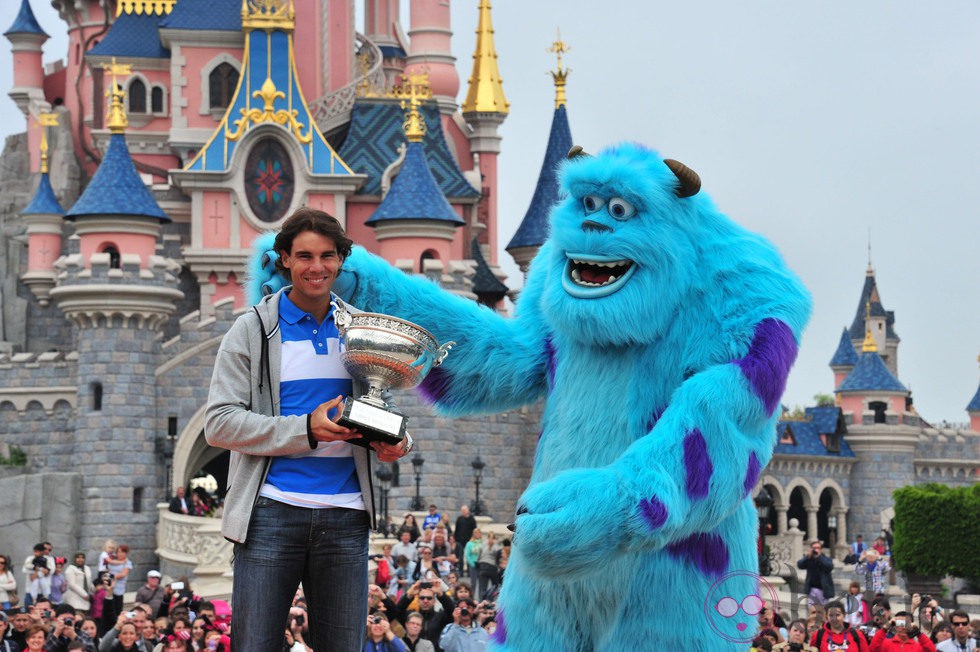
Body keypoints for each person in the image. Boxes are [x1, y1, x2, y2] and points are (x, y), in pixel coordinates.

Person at [205, 208, 413, 651]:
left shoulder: (361, 330)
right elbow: (219, 424)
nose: (316, 267)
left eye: (327, 256)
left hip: (346, 518)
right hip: (271, 513)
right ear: (284, 259)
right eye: (304, 256)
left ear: (341, 260)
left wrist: (399, 442)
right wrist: (307, 429)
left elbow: (384, 404)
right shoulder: (253, 331)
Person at [395, 582, 454, 652]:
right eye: (422, 598)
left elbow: (451, 611)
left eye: (429, 598)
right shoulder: (411, 617)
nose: (425, 601)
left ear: (434, 601)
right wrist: (409, 595)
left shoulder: (441, 617)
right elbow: (397, 611)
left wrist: (441, 595)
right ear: (418, 600)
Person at [870, 611, 936, 651]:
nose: (903, 627)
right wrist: (885, 628)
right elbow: (872, 649)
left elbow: (932, 650)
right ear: (894, 625)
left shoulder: (918, 646)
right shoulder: (886, 644)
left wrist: (919, 634)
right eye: (900, 623)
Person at [798, 541, 835, 607]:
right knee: (811, 611)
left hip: (823, 590)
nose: (816, 549)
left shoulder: (826, 559)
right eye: (814, 548)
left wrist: (819, 557)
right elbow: (799, 565)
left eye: (818, 548)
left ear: (821, 549)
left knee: (823, 611)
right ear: (811, 548)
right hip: (811, 590)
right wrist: (808, 556)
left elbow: (829, 567)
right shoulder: (809, 559)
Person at [452, 507, 476, 575]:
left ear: (468, 510)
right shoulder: (459, 519)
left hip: (469, 541)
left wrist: (473, 540)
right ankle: (461, 571)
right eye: (462, 510)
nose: (463, 512)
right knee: (460, 556)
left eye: (464, 510)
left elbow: (474, 530)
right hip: (460, 541)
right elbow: (456, 530)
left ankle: (469, 571)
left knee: (469, 556)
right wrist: (455, 539)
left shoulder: (472, 519)